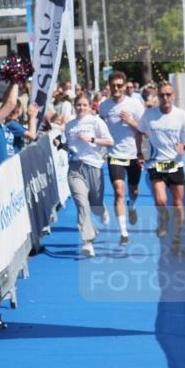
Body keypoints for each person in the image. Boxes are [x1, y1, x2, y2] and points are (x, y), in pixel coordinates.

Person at [138, 82, 185, 253]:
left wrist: (184, 146)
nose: (165, 98)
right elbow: (139, 130)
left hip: (176, 164)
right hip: (156, 163)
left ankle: (177, 241)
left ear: (173, 96)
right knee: (161, 200)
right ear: (158, 96)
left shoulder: (181, 115)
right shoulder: (149, 115)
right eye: (162, 95)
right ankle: (163, 218)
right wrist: (138, 152)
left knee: (178, 203)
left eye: (168, 94)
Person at [64, 93, 113, 257]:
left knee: (95, 206)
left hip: (94, 166)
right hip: (75, 168)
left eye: (85, 105)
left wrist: (91, 139)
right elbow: (71, 147)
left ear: (90, 106)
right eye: (78, 105)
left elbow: (109, 141)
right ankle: (87, 242)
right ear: (74, 106)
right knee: (81, 204)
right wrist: (61, 145)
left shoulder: (96, 121)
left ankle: (102, 210)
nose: (81, 108)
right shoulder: (69, 125)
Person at [98, 70, 144, 246]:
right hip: (114, 154)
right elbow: (99, 125)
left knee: (133, 190)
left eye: (119, 86)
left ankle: (132, 206)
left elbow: (145, 130)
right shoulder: (104, 106)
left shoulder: (135, 105)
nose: (116, 89)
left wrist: (131, 121)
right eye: (113, 86)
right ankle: (124, 233)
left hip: (133, 154)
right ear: (109, 87)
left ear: (125, 86)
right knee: (118, 191)